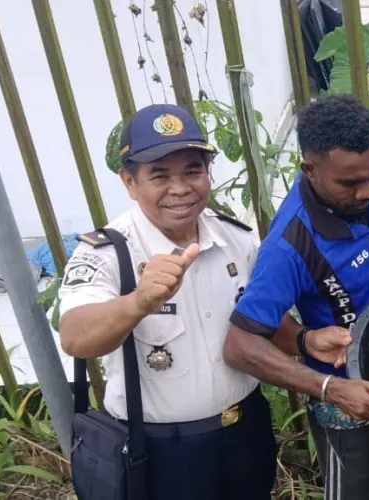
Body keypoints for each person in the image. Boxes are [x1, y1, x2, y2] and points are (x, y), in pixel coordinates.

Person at [58, 103, 280, 498]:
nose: (180, 188)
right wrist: (138, 302)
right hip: (163, 451)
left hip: (246, 432)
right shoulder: (108, 253)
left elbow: (262, 316)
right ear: (129, 182)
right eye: (159, 175)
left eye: (193, 171)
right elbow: (75, 337)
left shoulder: (237, 239)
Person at [223, 95, 369, 500]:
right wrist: (331, 389)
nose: (368, 190)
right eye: (351, 183)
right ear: (311, 169)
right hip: (346, 403)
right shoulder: (289, 247)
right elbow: (240, 344)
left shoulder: (366, 169)